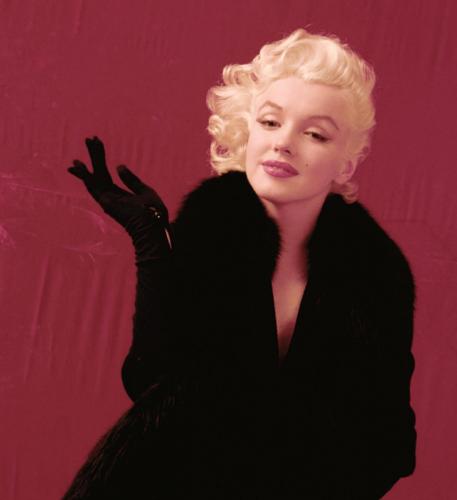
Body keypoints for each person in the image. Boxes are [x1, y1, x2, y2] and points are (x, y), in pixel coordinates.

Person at [66, 28, 416, 499]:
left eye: (315, 133)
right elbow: (148, 381)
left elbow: (391, 443)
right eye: (270, 122)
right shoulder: (207, 238)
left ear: (346, 164)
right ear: (246, 130)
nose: (284, 143)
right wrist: (151, 244)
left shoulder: (376, 277)